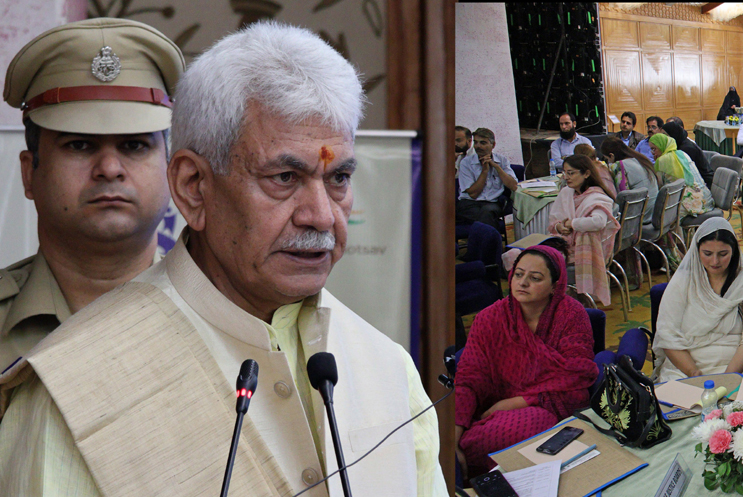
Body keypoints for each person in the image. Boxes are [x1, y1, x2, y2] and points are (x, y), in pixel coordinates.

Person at [1, 22, 446, 495]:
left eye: (339, 178)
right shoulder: (72, 389)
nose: (321, 215)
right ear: (194, 187)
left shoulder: (387, 368)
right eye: (284, 177)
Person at [0, 19, 180, 484]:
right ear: (29, 173)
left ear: (173, 172)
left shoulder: (217, 322)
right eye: (79, 145)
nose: (109, 168)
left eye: (134, 145)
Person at [455, 245, 597, 478]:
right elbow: (469, 378)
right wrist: (455, 431)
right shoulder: (489, 318)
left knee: (537, 422)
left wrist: (512, 404)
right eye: (518, 274)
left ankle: (474, 465)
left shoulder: (571, 315)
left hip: (551, 403)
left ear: (555, 286)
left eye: (535, 278)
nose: (522, 283)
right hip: (491, 409)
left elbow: (577, 374)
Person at [653, 218, 743, 380]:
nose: (715, 261)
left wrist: (727, 378)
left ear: (734, 251)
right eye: (707, 254)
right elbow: (668, 335)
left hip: (734, 368)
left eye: (723, 254)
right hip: (683, 369)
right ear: (696, 251)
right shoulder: (684, 281)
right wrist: (694, 374)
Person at [548, 154, 618, 302]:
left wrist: (571, 224)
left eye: (571, 173)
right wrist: (560, 227)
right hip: (564, 242)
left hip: (580, 249)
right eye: (565, 173)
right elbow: (555, 219)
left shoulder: (597, 196)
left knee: (544, 263)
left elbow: (598, 222)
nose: (566, 177)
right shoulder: (566, 193)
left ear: (586, 174)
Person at [458, 127, 519, 235]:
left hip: (492, 202)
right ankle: (493, 246)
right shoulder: (466, 163)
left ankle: (483, 248)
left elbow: (514, 186)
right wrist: (485, 171)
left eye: (483, 143)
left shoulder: (502, 160)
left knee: (487, 212)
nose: (478, 146)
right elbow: (473, 194)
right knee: (487, 216)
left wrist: (496, 167)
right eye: (476, 142)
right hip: (469, 204)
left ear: (493, 145)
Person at [648, 133, 714, 216]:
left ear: (662, 146)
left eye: (654, 149)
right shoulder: (682, 153)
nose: (653, 153)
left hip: (694, 204)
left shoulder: (662, 161)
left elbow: (658, 186)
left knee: (662, 214)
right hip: (707, 198)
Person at [599, 136, 659, 216]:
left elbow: (622, 198)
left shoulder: (619, 165)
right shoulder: (640, 159)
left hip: (639, 216)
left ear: (611, 156)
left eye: (607, 159)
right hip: (652, 211)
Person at [661, 121, 713, 188]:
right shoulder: (679, 144)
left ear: (673, 134)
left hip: (702, 183)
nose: (663, 138)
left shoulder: (686, 149)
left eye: (665, 135)